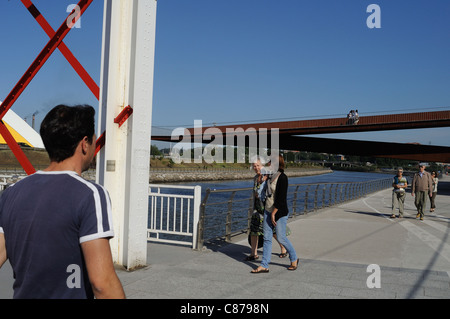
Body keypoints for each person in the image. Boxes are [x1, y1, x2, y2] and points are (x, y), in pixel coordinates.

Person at [0, 104, 125, 299]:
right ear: (84, 144)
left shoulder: (11, 193)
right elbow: (102, 284)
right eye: (93, 140)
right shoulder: (90, 194)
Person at [251, 155, 299, 273]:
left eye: (270, 163)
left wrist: (274, 213)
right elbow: (263, 192)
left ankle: (294, 258)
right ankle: (264, 265)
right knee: (267, 238)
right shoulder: (269, 176)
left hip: (279, 212)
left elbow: (281, 198)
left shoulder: (282, 178)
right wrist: (263, 180)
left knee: (281, 237)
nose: (268, 165)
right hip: (268, 210)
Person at [246, 158, 287, 261]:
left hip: (266, 207)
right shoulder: (256, 178)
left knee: (273, 231)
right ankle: (253, 253)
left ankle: (283, 248)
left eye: (258, 165)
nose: (256, 168)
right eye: (254, 166)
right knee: (254, 230)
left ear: (262, 166)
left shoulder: (268, 175)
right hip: (257, 207)